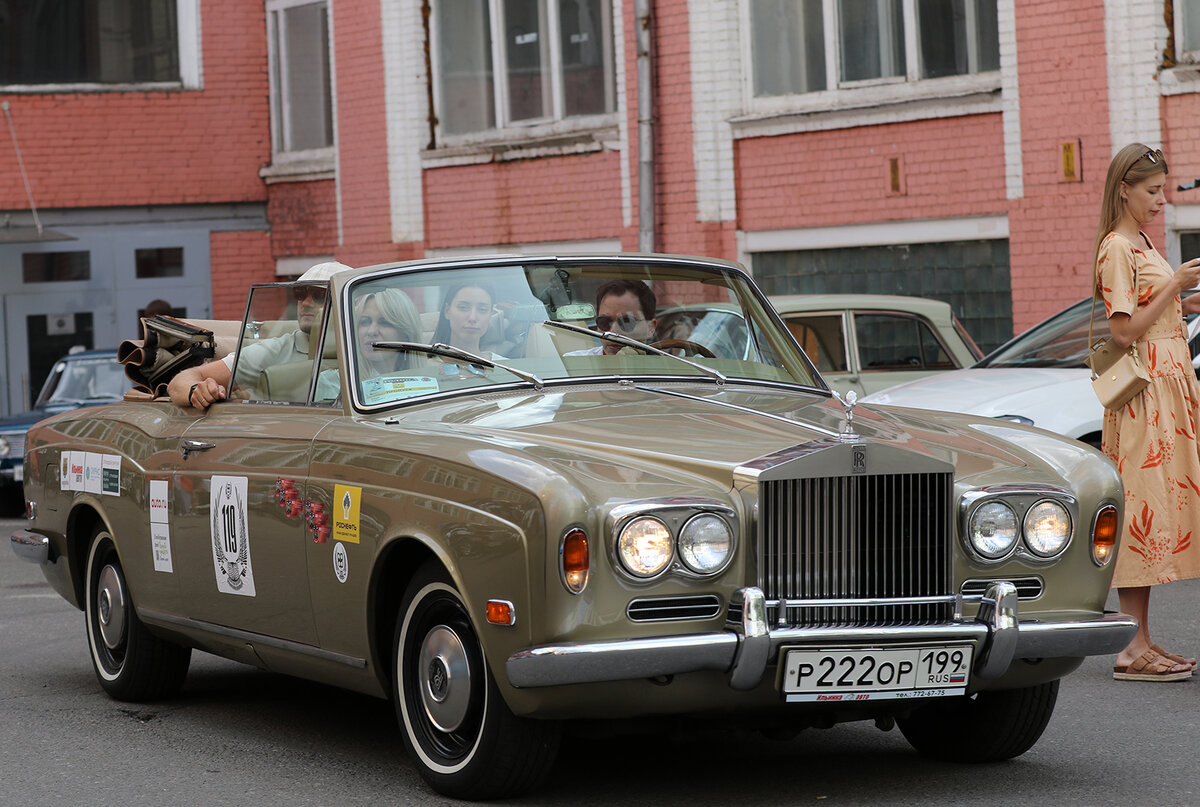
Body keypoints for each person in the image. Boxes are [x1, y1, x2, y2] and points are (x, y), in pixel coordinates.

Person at [1094, 143, 1200, 681]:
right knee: (1142, 509)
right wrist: (1176, 286)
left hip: (1167, 390)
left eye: (1162, 189)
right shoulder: (1117, 245)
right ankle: (1129, 648)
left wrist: (1184, 297)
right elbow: (1123, 330)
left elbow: (1152, 309)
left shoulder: (1141, 242)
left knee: (1155, 512)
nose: (1161, 200)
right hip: (1145, 396)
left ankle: (1142, 639)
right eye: (1153, 191)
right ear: (1125, 190)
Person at [168, 261, 350, 409]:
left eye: (319, 295)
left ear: (346, 303)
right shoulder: (275, 351)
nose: (306, 303)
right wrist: (196, 391)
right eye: (301, 293)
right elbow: (181, 381)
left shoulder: (368, 350)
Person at [314, 287, 422, 400]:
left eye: (384, 322)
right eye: (365, 322)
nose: (371, 331)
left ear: (405, 334)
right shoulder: (333, 383)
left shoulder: (431, 376)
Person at [569, 279, 658, 356]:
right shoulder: (573, 365)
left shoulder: (667, 369)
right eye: (605, 322)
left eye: (626, 322)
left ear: (650, 328)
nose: (613, 331)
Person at [432, 282, 504, 359]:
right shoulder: (422, 365)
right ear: (447, 311)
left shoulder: (506, 366)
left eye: (482, 309)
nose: (472, 318)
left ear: (490, 315)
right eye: (463, 307)